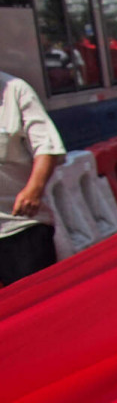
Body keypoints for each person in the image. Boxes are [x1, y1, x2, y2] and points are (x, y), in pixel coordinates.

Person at [1, 71, 65, 286]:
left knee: (37, 309)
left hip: (20, 227)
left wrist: (34, 190)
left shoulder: (16, 91)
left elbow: (46, 147)